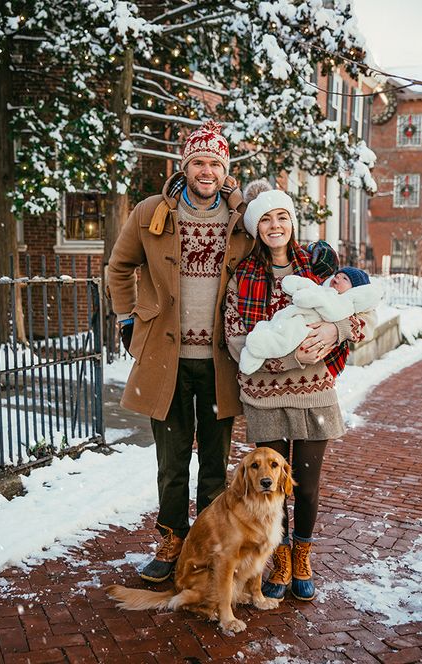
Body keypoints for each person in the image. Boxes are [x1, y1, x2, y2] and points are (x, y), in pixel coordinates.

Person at [107, 125, 337, 585]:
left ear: (224, 169)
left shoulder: (240, 217)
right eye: (198, 162)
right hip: (165, 361)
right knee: (171, 462)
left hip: (220, 365)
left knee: (214, 464)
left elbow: (279, 246)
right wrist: (128, 317)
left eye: (215, 163)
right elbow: (119, 267)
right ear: (185, 166)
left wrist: (326, 273)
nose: (206, 170)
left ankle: (211, 544)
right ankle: (172, 538)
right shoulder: (153, 212)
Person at [224, 188, 377, 602]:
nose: (275, 226)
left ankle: (303, 555)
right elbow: (236, 337)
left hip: (314, 396)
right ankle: (281, 559)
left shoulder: (319, 267)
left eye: (282, 218)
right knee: (270, 488)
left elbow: (364, 313)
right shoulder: (244, 275)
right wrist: (289, 359)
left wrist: (336, 331)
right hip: (263, 395)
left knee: (305, 487)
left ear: (292, 222)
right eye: (267, 220)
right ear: (257, 228)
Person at [240, 266, 381, 374]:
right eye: (337, 275)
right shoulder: (323, 289)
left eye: (345, 279)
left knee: (286, 336)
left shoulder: (345, 301)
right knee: (271, 327)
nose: (337, 278)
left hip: (307, 337)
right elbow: (308, 286)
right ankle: (254, 354)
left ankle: (259, 347)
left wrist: (336, 329)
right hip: (290, 319)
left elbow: (368, 322)